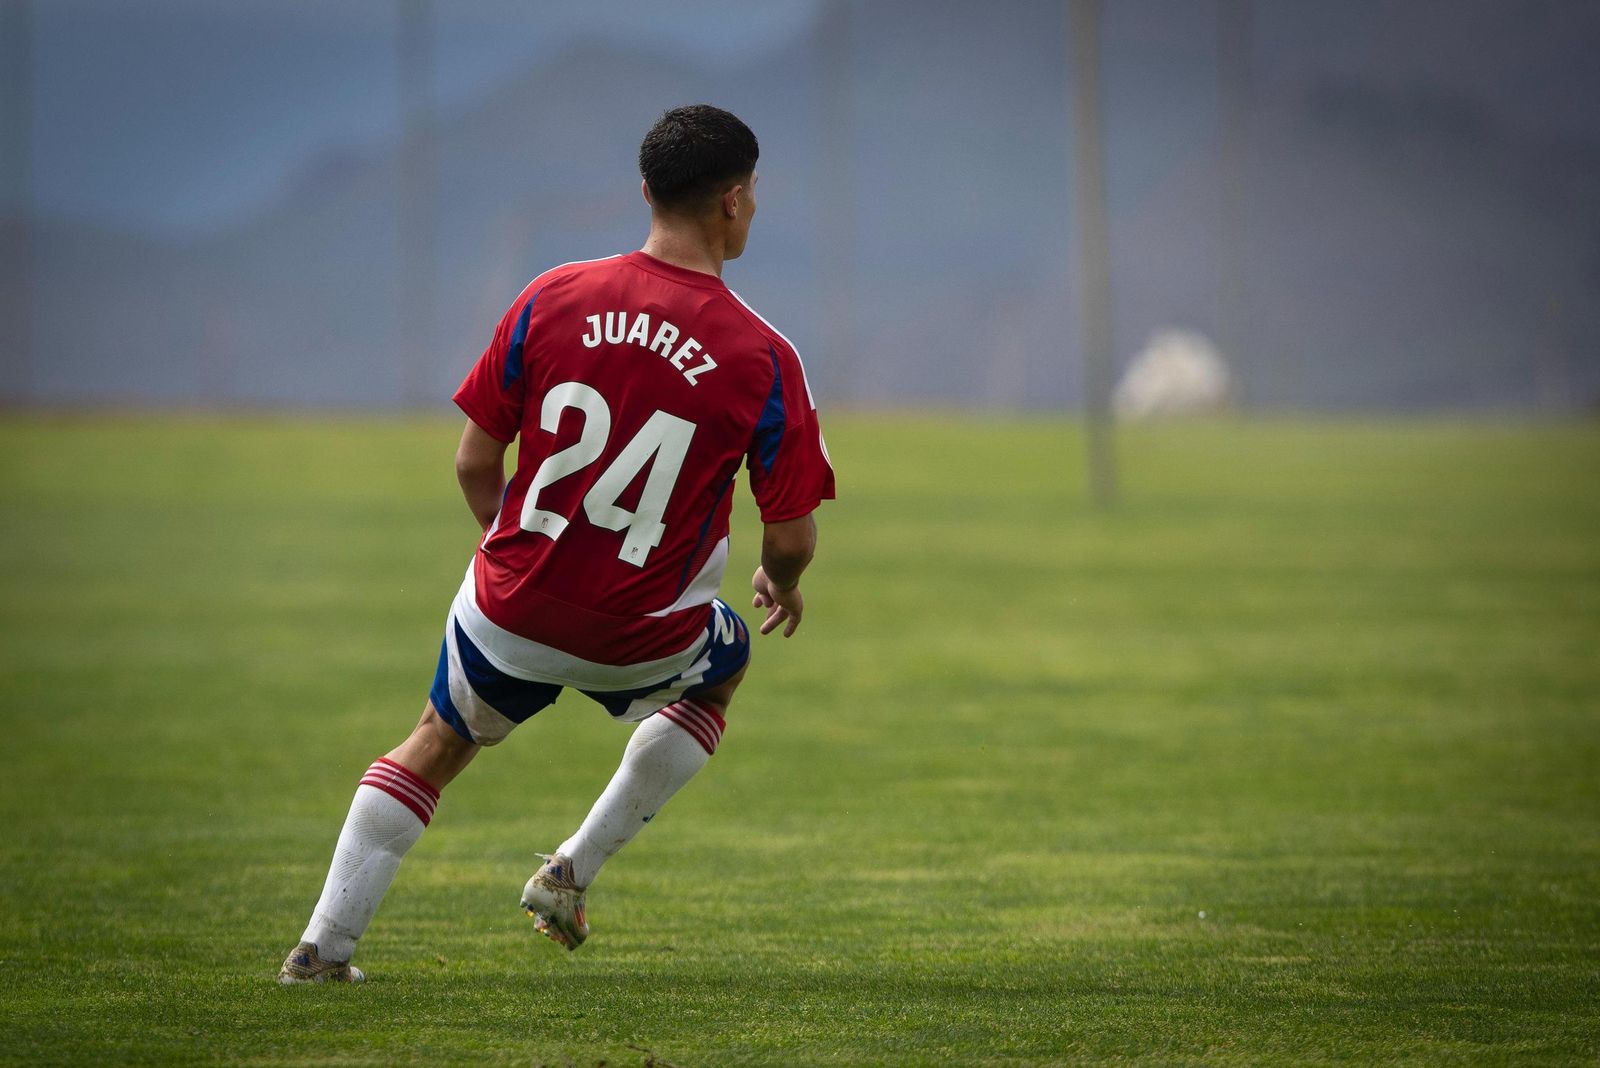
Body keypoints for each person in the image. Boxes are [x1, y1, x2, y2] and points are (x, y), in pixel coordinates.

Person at [278, 105, 834, 982]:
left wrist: (530, 554)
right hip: (640, 634)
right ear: (732, 201)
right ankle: (571, 872)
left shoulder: (552, 294)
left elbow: (472, 462)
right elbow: (792, 532)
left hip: (510, 608)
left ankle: (321, 951)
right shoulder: (764, 356)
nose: (755, 208)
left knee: (436, 739)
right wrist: (780, 579)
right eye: (754, 192)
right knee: (723, 667)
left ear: (646, 190)